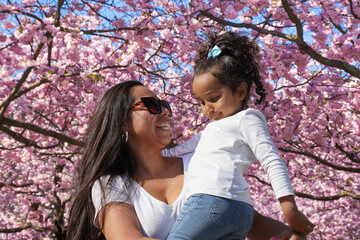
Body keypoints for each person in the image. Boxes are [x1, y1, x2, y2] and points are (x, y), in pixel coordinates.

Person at [66, 80, 307, 240]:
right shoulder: (111, 184)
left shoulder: (198, 158)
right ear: (121, 123)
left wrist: (286, 233)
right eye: (151, 105)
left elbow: (239, 216)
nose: (164, 112)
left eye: (165, 104)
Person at [164, 31, 315, 240]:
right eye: (201, 102)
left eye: (214, 98)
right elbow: (179, 150)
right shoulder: (211, 130)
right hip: (240, 213)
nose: (207, 108)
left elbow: (271, 159)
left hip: (211, 200)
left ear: (241, 91)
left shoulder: (247, 118)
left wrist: (288, 206)